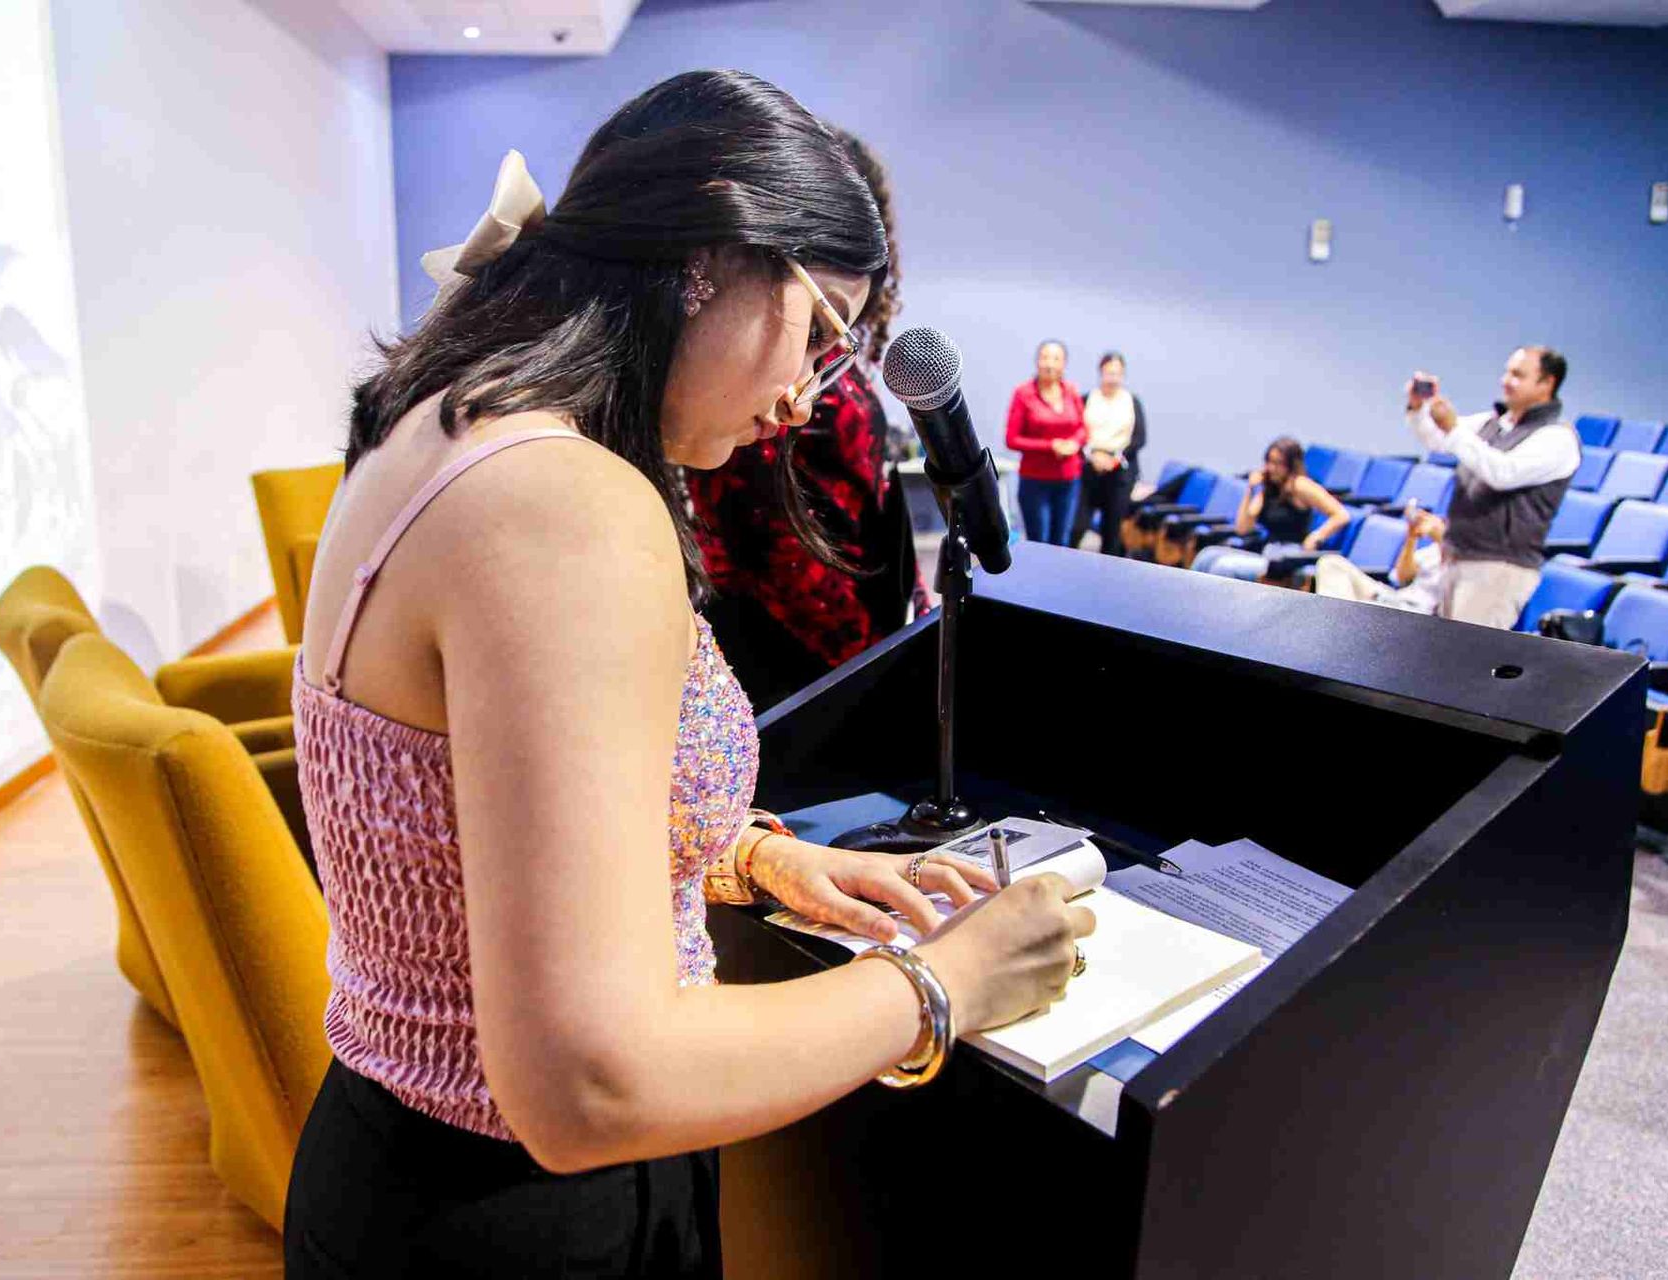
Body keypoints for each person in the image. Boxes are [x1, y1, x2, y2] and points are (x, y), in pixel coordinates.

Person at [282, 71, 1093, 1278]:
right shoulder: (568, 505)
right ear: (716, 257)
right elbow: (587, 1079)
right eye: (821, 331)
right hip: (521, 1218)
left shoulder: (450, 421)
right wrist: (946, 982)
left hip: (408, 1173)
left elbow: (481, 823)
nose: (806, 393)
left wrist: (761, 857)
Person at [686, 126, 929, 711]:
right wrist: (860, 655)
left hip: (843, 612)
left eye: (826, 344)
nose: (798, 398)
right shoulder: (753, 378)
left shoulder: (811, 366)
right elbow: (760, 534)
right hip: (790, 628)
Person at [1407, 347, 1579, 629]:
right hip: (1456, 558)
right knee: (1442, 661)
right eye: (1507, 372)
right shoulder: (1493, 423)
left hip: (1497, 568)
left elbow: (1502, 473)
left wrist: (1454, 430)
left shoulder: (1557, 437)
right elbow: (1437, 440)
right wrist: (1418, 409)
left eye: (1518, 375)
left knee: (1466, 663)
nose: (1506, 381)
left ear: (1547, 383)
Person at [1189, 436, 1348, 581]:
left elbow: (1341, 514)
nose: (1271, 468)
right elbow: (1243, 528)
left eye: (1278, 463)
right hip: (1267, 553)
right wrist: (1251, 490)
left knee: (1223, 567)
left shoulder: (1300, 486)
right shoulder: (1269, 488)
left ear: (1291, 465)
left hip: (1287, 557)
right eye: (1269, 462)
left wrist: (1317, 535)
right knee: (1207, 556)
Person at [1004, 340, 1085, 546]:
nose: (1050, 364)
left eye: (1056, 359)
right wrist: (1051, 446)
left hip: (1068, 480)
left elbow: (1083, 428)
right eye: (1045, 358)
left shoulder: (1071, 391)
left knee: (1063, 542)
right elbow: (1012, 439)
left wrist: (1074, 443)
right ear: (1037, 362)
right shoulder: (1024, 393)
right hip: (1035, 481)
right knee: (1039, 543)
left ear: (1064, 364)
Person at [1069, 351, 1148, 554]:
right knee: (1077, 525)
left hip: (1119, 471)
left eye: (1117, 373)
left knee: (1112, 530)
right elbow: (1074, 432)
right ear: (1101, 372)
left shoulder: (1132, 402)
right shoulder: (1087, 399)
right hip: (1089, 468)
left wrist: (1114, 458)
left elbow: (1139, 439)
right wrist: (1092, 456)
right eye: (1108, 373)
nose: (1112, 378)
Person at [1314, 501, 1447, 613]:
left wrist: (1443, 541)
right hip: (1395, 598)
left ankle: (1335, 624)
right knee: (1331, 563)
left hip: (1415, 613)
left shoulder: (1464, 560)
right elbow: (1402, 578)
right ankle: (1338, 620)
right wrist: (1411, 537)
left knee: (1342, 605)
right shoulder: (1432, 550)